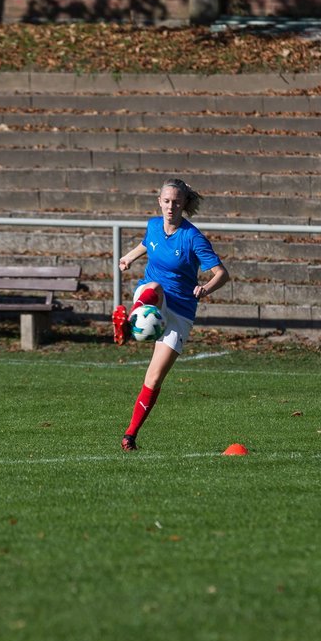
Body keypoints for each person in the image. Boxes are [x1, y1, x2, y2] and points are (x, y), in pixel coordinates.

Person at [112, 178, 231, 451]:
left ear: (184, 204)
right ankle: (130, 320)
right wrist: (129, 257)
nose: (170, 207)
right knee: (154, 286)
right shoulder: (153, 225)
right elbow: (148, 244)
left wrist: (205, 289)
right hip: (152, 296)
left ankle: (130, 435)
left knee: (154, 378)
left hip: (181, 311)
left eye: (176, 202)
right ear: (159, 202)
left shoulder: (193, 237)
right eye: (166, 201)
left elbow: (222, 274)